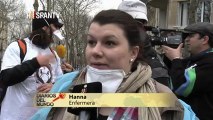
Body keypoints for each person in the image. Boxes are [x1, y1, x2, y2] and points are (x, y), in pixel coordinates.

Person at [31, 9, 188, 120]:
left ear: (133, 52)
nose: (96, 51)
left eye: (110, 43)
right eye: (91, 42)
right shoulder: (65, 85)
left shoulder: (163, 97)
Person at [0, 11, 63, 120]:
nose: (56, 30)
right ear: (45, 28)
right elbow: (5, 78)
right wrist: (35, 63)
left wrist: (54, 86)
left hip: (43, 117)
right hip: (13, 116)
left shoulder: (54, 54)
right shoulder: (18, 47)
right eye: (54, 26)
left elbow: (60, 82)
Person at [162, 22, 213, 120]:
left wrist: (176, 59)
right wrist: (170, 57)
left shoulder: (210, 63)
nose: (186, 39)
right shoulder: (193, 60)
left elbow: (182, 87)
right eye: (186, 36)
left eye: (191, 35)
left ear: (205, 39)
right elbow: (170, 79)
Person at [118, 0, 171, 88]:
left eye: (138, 23)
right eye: (125, 23)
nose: (131, 28)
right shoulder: (103, 54)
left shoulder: (154, 67)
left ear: (144, 25)